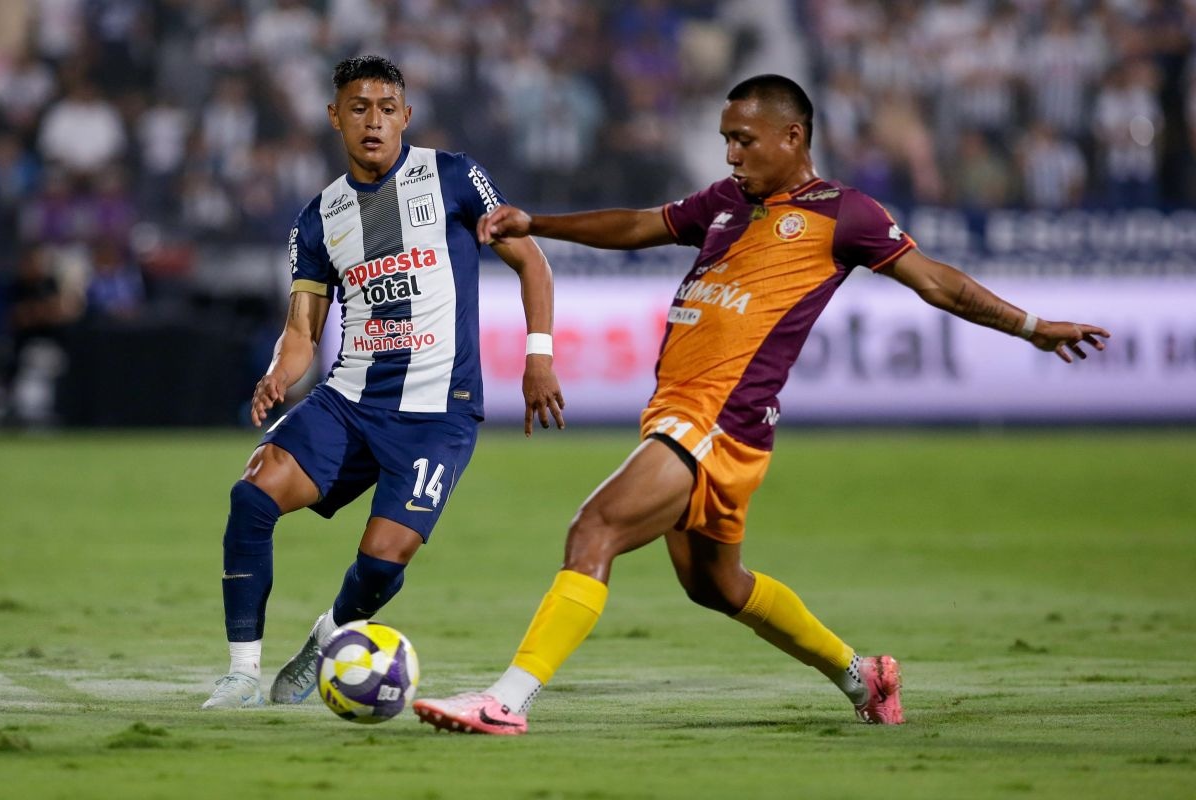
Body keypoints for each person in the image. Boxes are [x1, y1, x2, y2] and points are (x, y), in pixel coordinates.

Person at [411, 74, 1110, 734]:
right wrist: (538, 222)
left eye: (744, 139)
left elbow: (936, 282)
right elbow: (640, 226)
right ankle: (863, 677)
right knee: (717, 586)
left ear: (792, 137)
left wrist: (1030, 326)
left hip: (716, 419)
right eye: (727, 140)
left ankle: (505, 702)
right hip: (688, 414)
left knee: (594, 529)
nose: (732, 154)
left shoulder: (844, 213)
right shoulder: (726, 202)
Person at [201, 55, 565, 709]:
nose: (373, 121)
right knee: (252, 494)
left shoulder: (454, 176)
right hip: (350, 400)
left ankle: (330, 635)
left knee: (381, 561)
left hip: (438, 412)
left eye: (387, 109)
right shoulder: (319, 217)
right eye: (359, 108)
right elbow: (302, 328)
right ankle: (240, 674)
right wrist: (278, 374)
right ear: (334, 116)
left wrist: (538, 357)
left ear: (406, 116)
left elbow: (531, 260)